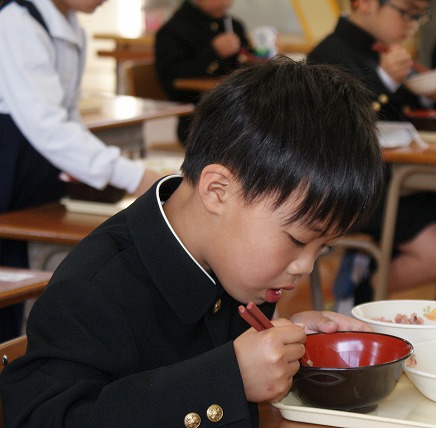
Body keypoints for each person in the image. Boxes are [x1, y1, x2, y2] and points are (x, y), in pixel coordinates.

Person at [0, 58, 386, 427]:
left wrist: (286, 344)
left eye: (324, 248)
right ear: (217, 191)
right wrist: (228, 379)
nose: (305, 266)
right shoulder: (93, 291)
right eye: (297, 240)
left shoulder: (231, 259)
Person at [307, 0, 436, 304]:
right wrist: (386, 80)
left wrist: (431, 97)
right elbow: (345, 130)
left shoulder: (384, 51)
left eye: (420, 15)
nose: (413, 24)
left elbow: (403, 116)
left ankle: (369, 268)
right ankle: (362, 295)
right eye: (406, 12)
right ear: (364, 4)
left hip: (403, 185)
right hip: (361, 189)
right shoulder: (329, 53)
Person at [0, 0, 161, 342]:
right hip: (9, 166)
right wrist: (133, 176)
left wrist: (100, 168)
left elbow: (68, 119)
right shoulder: (16, 23)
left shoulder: (70, 25)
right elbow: (49, 127)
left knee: (18, 279)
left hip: (33, 173)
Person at [155, 0, 251, 144]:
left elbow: (244, 64)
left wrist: (264, 55)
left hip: (240, 116)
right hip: (199, 124)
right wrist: (213, 53)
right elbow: (172, 80)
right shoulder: (173, 30)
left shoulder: (234, 25)